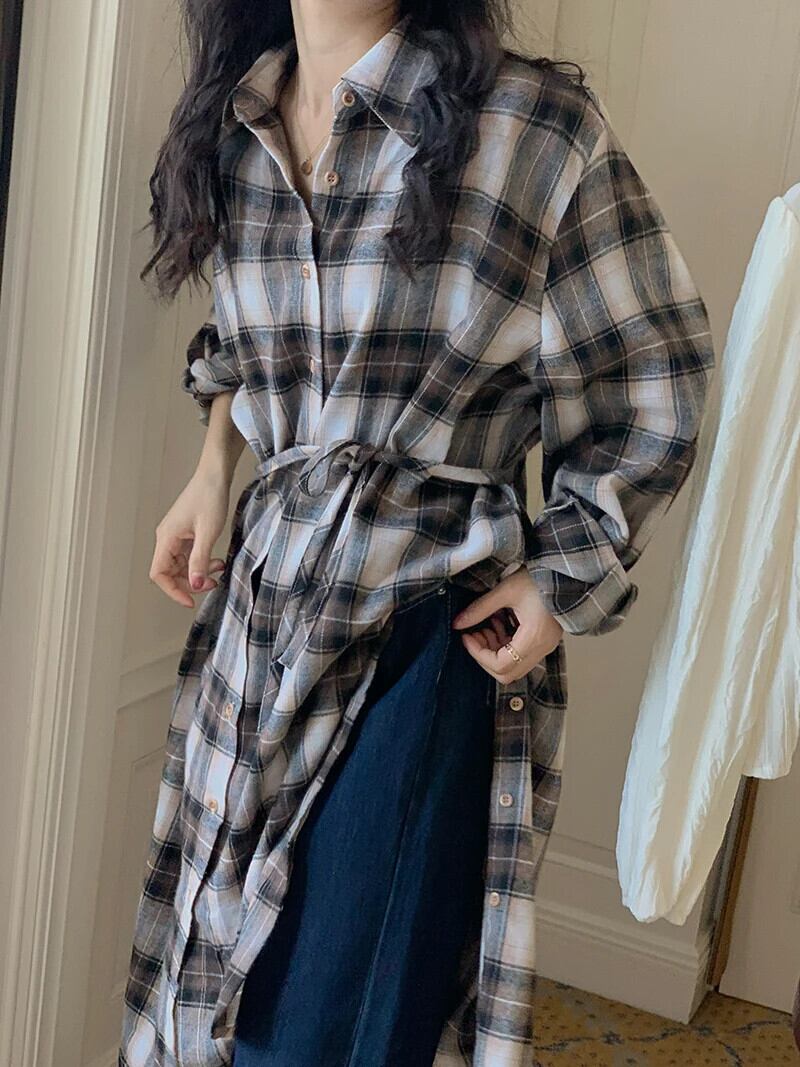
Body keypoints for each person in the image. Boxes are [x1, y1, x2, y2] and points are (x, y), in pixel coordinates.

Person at [119, 3, 715, 1066]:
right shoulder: (239, 122)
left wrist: (561, 578)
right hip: (261, 621)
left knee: (329, 1030)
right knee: (220, 998)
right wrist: (213, 470)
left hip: (420, 634)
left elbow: (655, 368)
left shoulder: (530, 126)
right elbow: (240, 342)